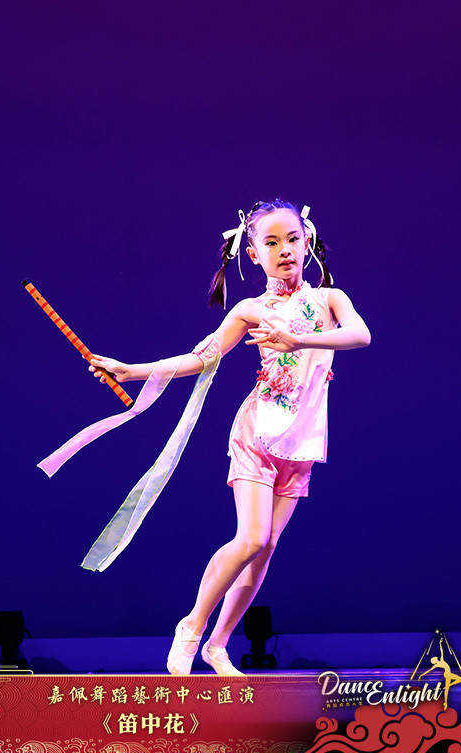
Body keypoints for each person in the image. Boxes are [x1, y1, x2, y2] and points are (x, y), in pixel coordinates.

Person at [88, 199, 370, 675]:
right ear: (253, 254)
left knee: (266, 548)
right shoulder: (251, 309)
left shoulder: (329, 299)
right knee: (252, 538)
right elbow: (202, 357)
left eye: (293, 239)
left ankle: (217, 645)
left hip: (302, 442)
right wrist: (133, 370)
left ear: (307, 241)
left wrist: (300, 339)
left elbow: (360, 335)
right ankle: (192, 626)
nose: (285, 250)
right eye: (271, 243)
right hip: (258, 433)